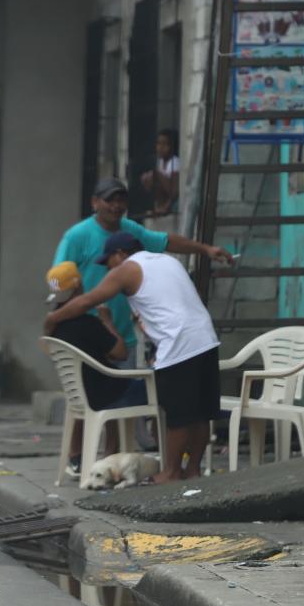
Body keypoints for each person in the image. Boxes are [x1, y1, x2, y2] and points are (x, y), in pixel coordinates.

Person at [45, 232, 221, 484]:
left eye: (109, 263)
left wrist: (53, 319)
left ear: (120, 254)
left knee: (178, 414)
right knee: (201, 412)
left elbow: (87, 301)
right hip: (205, 337)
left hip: (180, 344)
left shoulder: (127, 269)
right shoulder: (167, 261)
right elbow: (168, 308)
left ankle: (171, 472)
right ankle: (192, 470)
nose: (109, 270)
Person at [52, 177, 232, 368]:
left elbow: (165, 241)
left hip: (122, 339)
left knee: (125, 393)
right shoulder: (77, 236)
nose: (116, 206)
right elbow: (58, 280)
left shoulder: (130, 231)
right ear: (94, 202)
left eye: (121, 200)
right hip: (89, 335)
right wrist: (58, 321)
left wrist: (205, 249)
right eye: (109, 200)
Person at [44, 261, 147, 479]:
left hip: (81, 397)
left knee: (115, 384)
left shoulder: (54, 329)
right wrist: (107, 322)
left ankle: (90, 458)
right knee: (162, 387)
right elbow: (121, 353)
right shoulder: (89, 324)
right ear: (79, 288)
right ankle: (167, 460)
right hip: (107, 397)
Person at [140, 129, 180, 216]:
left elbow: (175, 191)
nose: (160, 147)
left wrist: (157, 174)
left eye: (164, 144)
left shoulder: (175, 162)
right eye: (158, 143)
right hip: (163, 197)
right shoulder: (160, 162)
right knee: (147, 177)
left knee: (155, 175)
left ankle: (165, 207)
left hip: (172, 197)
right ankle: (158, 206)